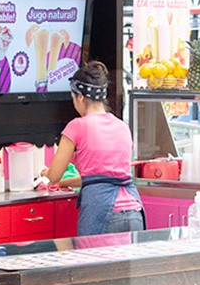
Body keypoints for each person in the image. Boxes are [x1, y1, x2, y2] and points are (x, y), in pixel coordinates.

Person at [42, 61, 146, 236]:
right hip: (134, 211)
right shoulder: (122, 126)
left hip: (102, 211)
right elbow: (101, 177)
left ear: (80, 97)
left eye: (73, 98)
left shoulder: (77, 126)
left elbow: (54, 176)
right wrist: (64, 183)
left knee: (92, 255)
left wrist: (47, 173)